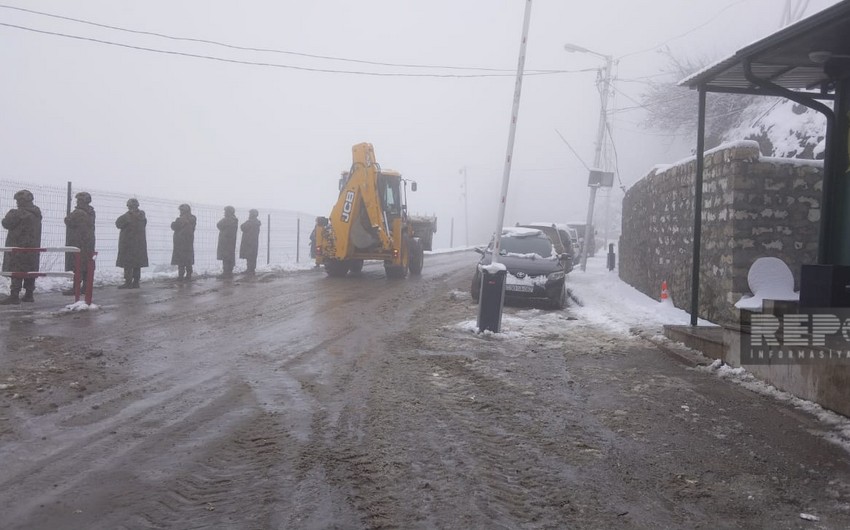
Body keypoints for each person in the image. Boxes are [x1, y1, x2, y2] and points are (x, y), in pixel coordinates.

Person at [1, 190, 42, 304]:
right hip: (33, 247)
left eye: (19, 200)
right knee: (30, 269)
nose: (17, 203)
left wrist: (10, 214)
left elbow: (6, 223)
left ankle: (14, 295)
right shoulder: (36, 213)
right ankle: (29, 294)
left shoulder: (19, 213)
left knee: (17, 269)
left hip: (18, 246)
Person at [64, 191, 96, 296]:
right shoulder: (91, 212)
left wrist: (67, 218)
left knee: (77, 264)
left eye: (79, 200)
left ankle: (76, 288)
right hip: (89, 241)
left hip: (78, 241)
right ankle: (85, 287)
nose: (77, 202)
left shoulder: (78, 212)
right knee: (86, 264)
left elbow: (69, 221)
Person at [115, 198, 148, 289]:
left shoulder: (127, 216)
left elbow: (118, 224)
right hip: (139, 243)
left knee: (128, 263)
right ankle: (136, 282)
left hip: (128, 243)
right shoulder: (142, 217)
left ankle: (128, 282)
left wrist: (127, 215)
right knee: (137, 263)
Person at [171, 203, 196, 281]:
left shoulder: (181, 219)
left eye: (181, 210)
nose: (180, 212)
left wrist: (174, 223)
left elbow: (174, 226)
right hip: (187, 242)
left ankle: (181, 276)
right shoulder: (192, 218)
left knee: (181, 260)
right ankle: (188, 275)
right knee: (187, 259)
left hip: (181, 242)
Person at [216, 206, 238, 278]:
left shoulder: (228, 219)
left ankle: (226, 272)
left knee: (225, 257)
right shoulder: (234, 220)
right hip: (230, 241)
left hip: (225, 241)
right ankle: (229, 271)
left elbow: (218, 224)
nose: (224, 213)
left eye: (226, 211)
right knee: (229, 256)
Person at [239, 209, 261, 275]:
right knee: (252, 256)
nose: (249, 215)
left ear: (252, 214)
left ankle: (250, 270)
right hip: (253, 242)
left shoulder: (251, 222)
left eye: (250, 213)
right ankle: (251, 270)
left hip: (249, 241)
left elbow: (242, 227)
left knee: (249, 256)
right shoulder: (256, 222)